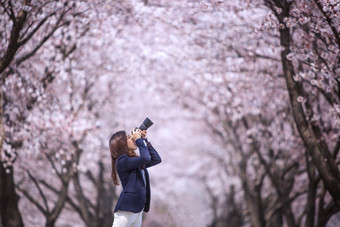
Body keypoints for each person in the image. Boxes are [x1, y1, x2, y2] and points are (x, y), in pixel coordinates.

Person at [109, 128, 162, 227]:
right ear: (122, 144)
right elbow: (145, 158)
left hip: (137, 210)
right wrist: (139, 140)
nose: (133, 139)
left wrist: (144, 140)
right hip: (126, 210)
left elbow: (156, 159)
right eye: (129, 137)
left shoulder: (134, 162)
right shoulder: (122, 161)